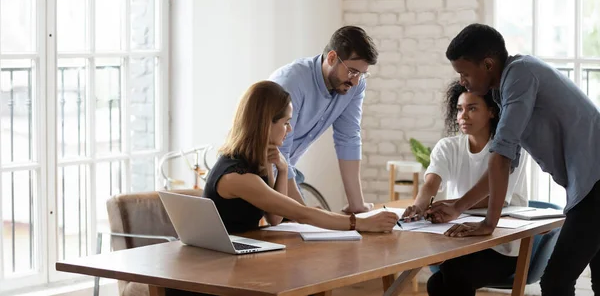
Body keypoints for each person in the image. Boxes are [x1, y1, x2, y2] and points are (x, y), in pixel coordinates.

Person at [427, 23, 600, 296]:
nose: (462, 81)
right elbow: (505, 164)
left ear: (487, 64)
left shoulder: (520, 74)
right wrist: (459, 207)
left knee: (556, 282)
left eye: (464, 73)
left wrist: (488, 224)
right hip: (590, 184)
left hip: (595, 185)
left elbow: (501, 157)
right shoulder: (504, 90)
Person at [203, 80, 398, 234]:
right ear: (266, 124)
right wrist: (363, 223)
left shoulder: (255, 160)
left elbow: (274, 218)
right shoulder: (238, 176)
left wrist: (283, 169)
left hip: (243, 253)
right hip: (221, 267)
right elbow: (301, 214)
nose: (290, 129)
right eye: (286, 122)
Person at [402, 80, 528, 296]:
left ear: (491, 112)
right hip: (459, 242)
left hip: (501, 247)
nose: (463, 116)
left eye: (472, 108)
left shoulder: (510, 149)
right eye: (460, 109)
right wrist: (418, 206)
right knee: (439, 282)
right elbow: (431, 183)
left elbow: (496, 198)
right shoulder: (448, 147)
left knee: (449, 275)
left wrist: (455, 206)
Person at [269, 26, 378, 214]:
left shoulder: (354, 85)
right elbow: (279, 152)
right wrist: (308, 214)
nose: (355, 81)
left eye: (361, 74)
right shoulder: (290, 82)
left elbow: (349, 138)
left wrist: (357, 205)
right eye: (352, 71)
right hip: (258, 171)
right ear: (332, 57)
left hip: (285, 171)